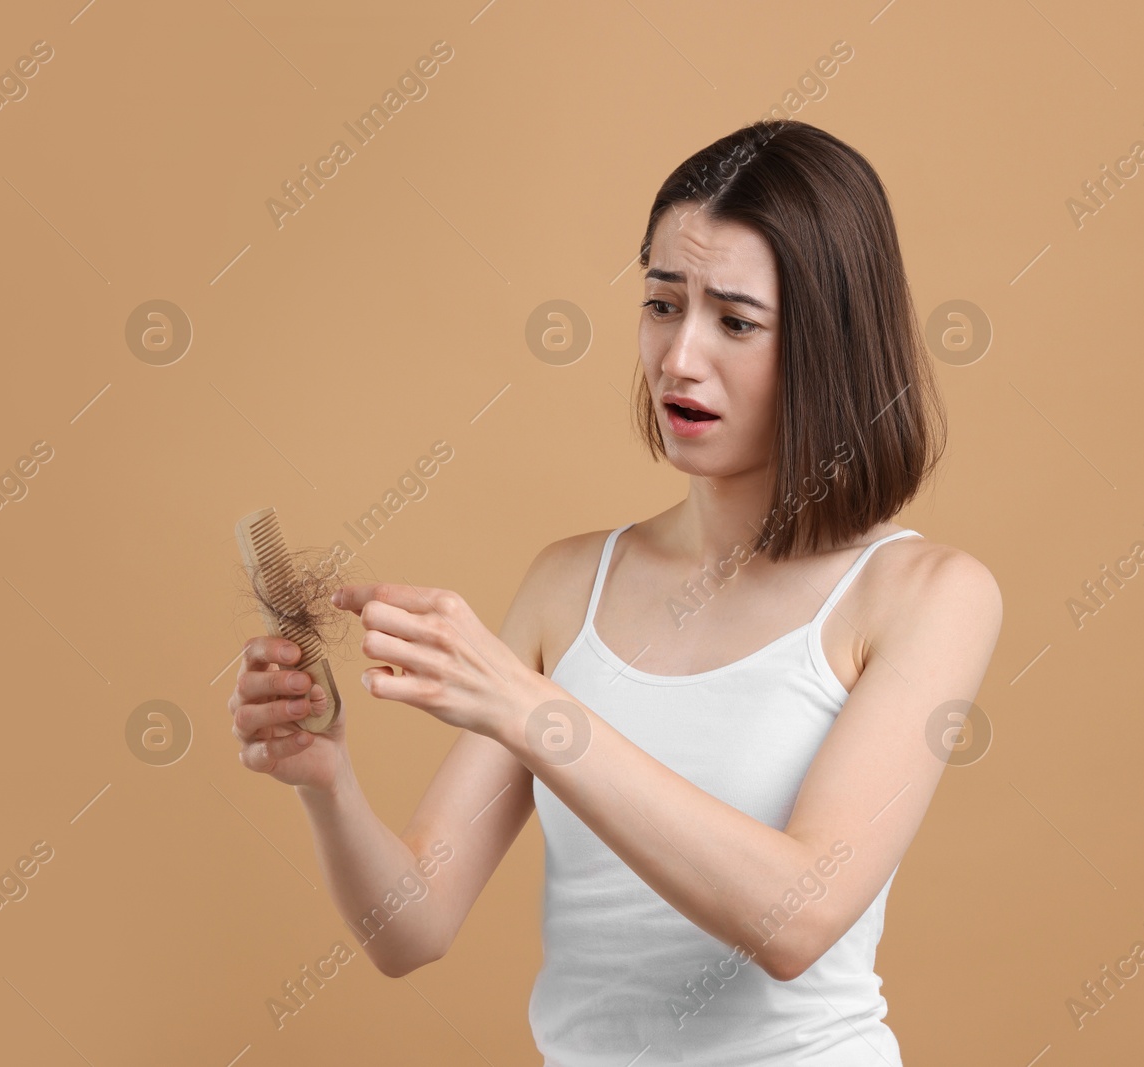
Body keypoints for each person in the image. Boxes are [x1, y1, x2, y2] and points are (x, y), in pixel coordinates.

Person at [228, 119, 1003, 1065]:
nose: (680, 357)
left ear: (831, 342)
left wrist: (534, 709)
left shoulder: (926, 594)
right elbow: (411, 926)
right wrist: (329, 783)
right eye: (662, 303)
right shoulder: (569, 584)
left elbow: (795, 920)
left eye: (736, 320)